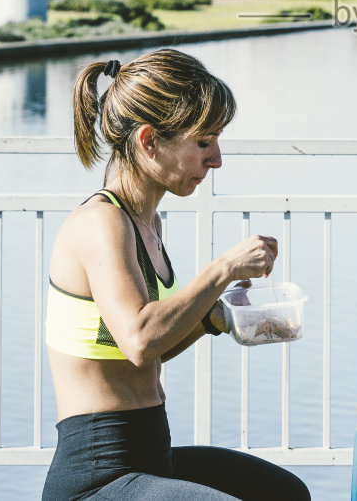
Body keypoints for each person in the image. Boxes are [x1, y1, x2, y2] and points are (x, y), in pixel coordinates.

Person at [41, 48, 310, 501]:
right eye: (203, 142)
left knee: (285, 493)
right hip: (98, 477)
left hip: (150, 457)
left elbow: (145, 351)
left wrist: (214, 319)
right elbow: (140, 339)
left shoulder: (146, 223)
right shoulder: (99, 223)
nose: (217, 159)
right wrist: (222, 270)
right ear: (149, 141)